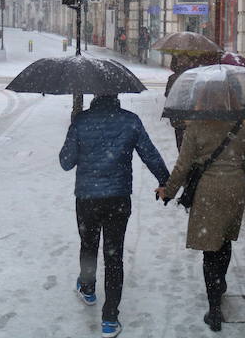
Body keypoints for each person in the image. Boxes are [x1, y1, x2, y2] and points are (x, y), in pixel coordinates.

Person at [59, 94, 170, 338]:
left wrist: (76, 131)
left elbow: (66, 162)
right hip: (118, 199)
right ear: (117, 95)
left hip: (87, 199)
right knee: (114, 255)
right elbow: (149, 153)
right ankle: (110, 318)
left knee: (88, 245)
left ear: (95, 95)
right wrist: (165, 180)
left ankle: (87, 288)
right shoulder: (130, 121)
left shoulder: (81, 121)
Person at [156, 117, 245, 332]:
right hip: (234, 190)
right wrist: (233, 168)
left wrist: (169, 190)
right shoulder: (243, 127)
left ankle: (214, 310)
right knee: (225, 239)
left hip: (207, 192)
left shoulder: (195, 128)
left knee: (210, 247)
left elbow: (183, 166)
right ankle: (220, 282)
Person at [164, 54, 192, 151]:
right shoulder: (193, 76)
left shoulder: (173, 78)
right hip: (190, 116)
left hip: (178, 116)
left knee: (181, 143)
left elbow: (167, 95)